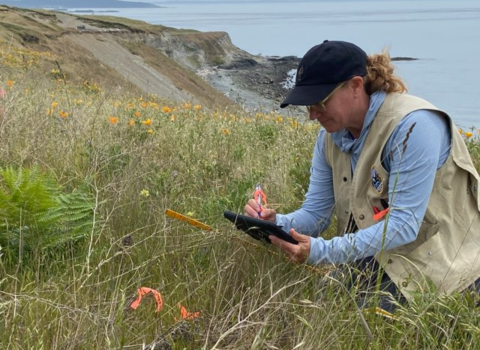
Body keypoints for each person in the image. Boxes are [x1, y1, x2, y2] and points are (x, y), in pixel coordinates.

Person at [244, 40, 480, 310]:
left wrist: (321, 252)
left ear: (356, 86)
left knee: (365, 321)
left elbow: (403, 225)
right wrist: (276, 224)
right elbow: (316, 215)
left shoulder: (414, 126)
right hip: (382, 257)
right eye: (306, 105)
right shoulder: (329, 137)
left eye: (319, 102)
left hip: (450, 268)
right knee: (323, 311)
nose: (311, 115)